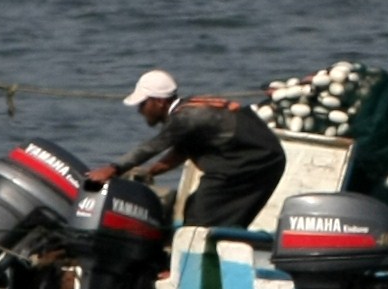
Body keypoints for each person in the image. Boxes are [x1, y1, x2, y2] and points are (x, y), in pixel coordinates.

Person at [92, 69, 286, 229]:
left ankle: (186, 267)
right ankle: (204, 259)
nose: (140, 110)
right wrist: (149, 172)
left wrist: (113, 168)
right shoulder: (187, 112)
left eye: (143, 104)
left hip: (253, 161)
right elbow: (181, 152)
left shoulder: (185, 118)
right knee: (216, 213)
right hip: (260, 159)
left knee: (200, 213)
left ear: (159, 102)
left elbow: (151, 147)